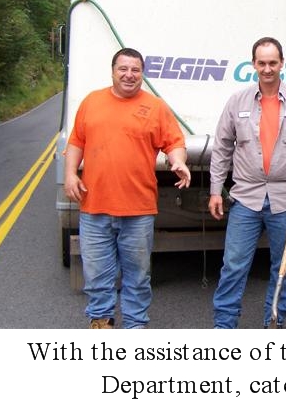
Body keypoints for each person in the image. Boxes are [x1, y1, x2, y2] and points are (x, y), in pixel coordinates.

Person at [64, 47, 191, 329]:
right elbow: (76, 142)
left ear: (142, 74)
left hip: (138, 210)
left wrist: (178, 161)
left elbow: (174, 142)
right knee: (97, 276)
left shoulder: (156, 107)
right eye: (123, 69)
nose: (129, 75)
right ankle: (101, 323)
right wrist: (70, 174)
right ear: (113, 71)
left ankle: (135, 326)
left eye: (135, 70)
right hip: (94, 206)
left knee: (138, 276)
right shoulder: (91, 102)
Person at [209, 36, 286, 328]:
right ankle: (224, 326)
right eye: (262, 63)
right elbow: (222, 148)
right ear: (253, 64)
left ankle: (274, 322)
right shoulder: (237, 101)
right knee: (234, 265)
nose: (267, 69)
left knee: (284, 267)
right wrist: (215, 191)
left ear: (282, 63)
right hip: (245, 198)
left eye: (273, 62)